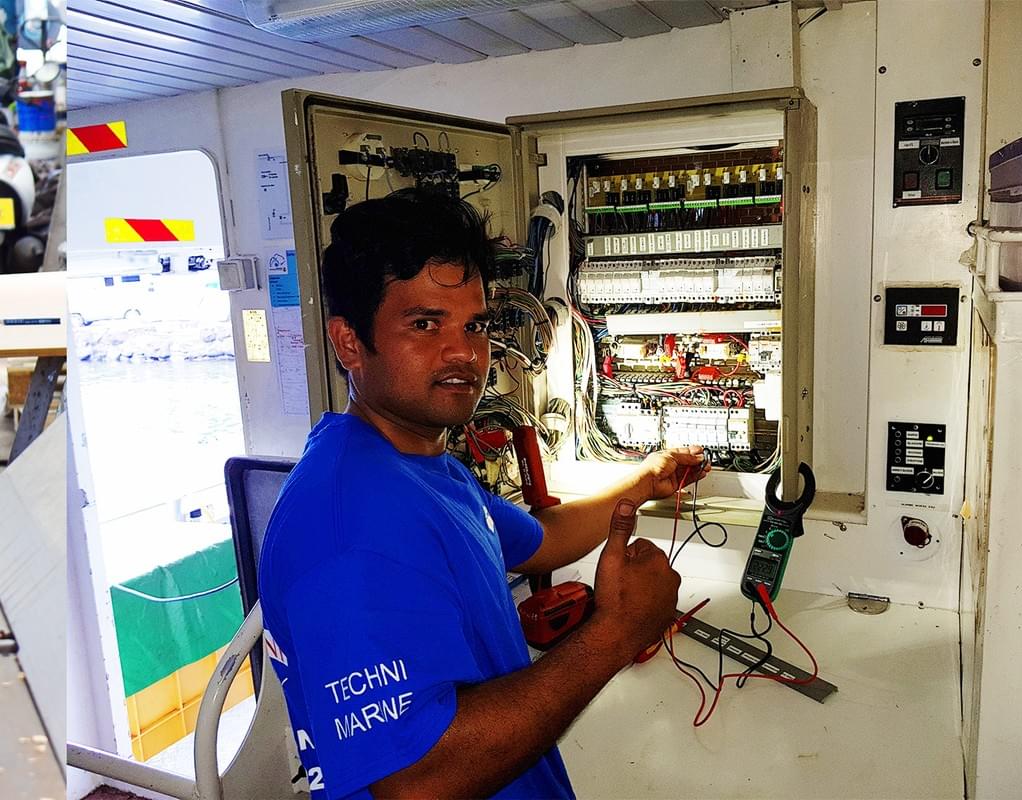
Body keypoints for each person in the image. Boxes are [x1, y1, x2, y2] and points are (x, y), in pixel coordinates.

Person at [258, 188, 709, 800]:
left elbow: (542, 539)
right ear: (348, 343)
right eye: (425, 324)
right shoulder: (346, 525)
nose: (464, 353)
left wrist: (644, 481)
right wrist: (616, 633)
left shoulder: (418, 467)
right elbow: (416, 782)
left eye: (474, 325)